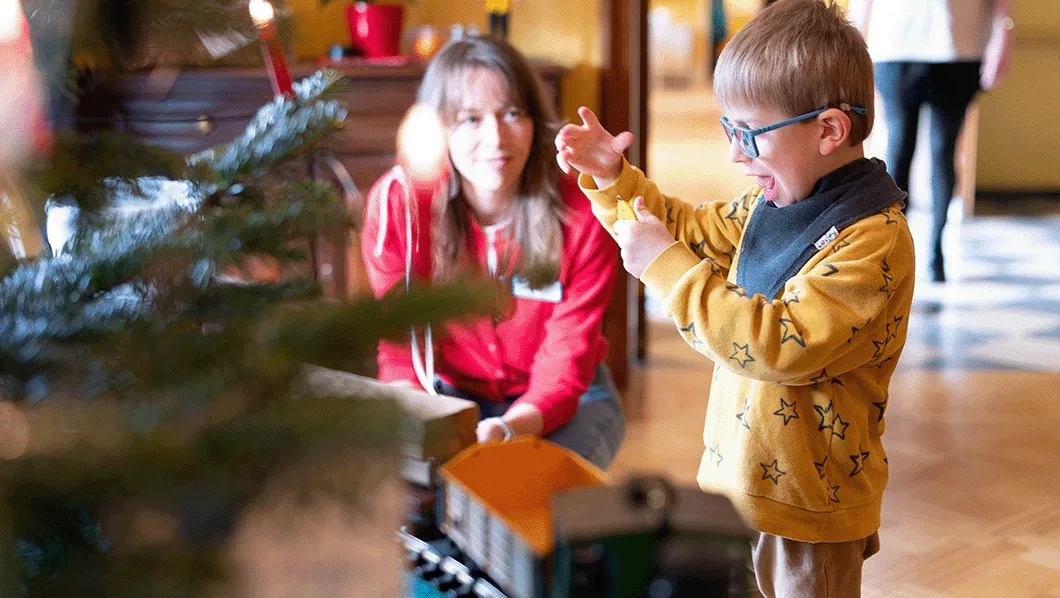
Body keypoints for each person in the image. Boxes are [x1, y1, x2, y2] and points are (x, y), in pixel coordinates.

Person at [556, 0, 913, 595]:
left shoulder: (872, 241)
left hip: (808, 514)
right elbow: (682, 230)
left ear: (829, 130)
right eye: (729, 130)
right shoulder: (769, 206)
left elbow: (776, 345)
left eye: (748, 133)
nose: (734, 153)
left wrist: (666, 269)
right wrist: (614, 178)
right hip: (733, 487)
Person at [360, 36, 625, 470]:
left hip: (568, 400)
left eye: (512, 113)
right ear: (437, 128)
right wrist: (413, 425)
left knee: (524, 505)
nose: (495, 138)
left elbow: (567, 356)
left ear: (535, 121)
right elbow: (401, 344)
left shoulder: (583, 212)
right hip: (444, 396)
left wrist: (509, 428)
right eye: (469, 119)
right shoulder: (399, 208)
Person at [850, 0, 1015, 282]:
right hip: (896, 44)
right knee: (899, 150)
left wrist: (1003, 35)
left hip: (957, 47)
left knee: (944, 152)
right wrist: (854, 46)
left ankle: (936, 251)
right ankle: (890, 247)